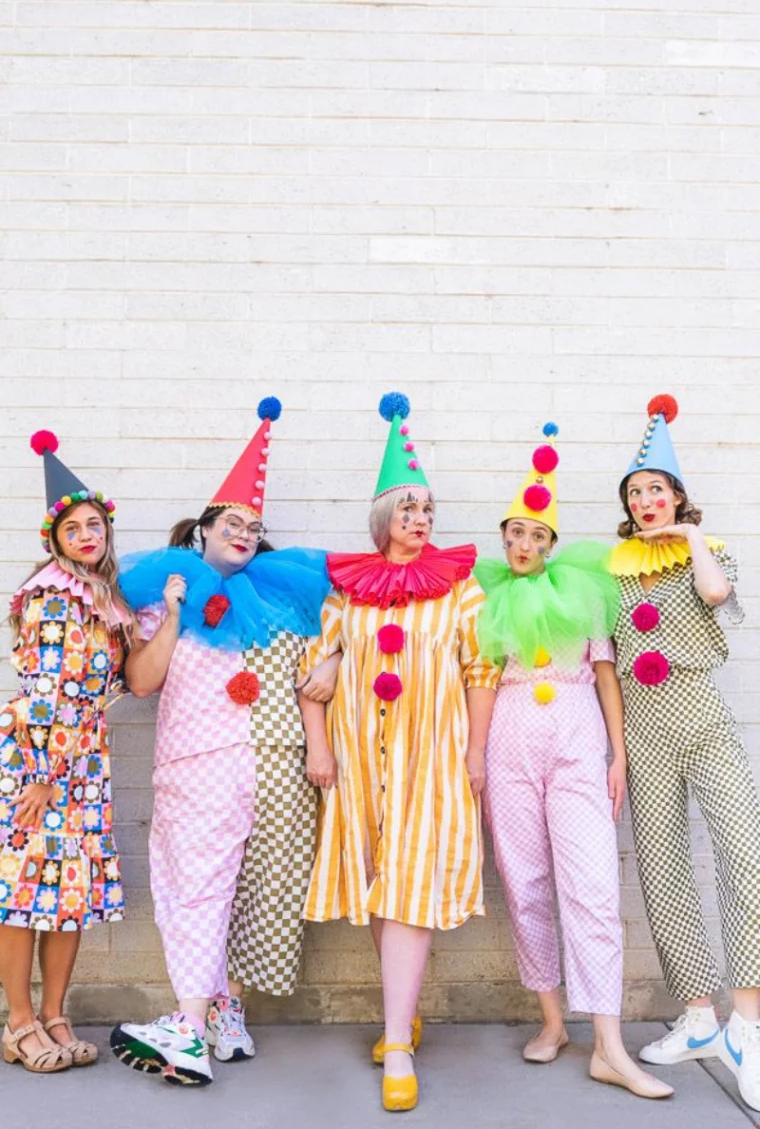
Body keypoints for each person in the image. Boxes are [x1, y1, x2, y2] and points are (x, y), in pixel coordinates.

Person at [109, 399, 330, 1087]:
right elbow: (142, 680)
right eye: (232, 521)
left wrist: (336, 660)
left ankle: (187, 1025)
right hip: (189, 762)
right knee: (198, 889)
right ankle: (209, 1017)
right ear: (203, 529)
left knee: (201, 890)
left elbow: (341, 618)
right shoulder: (167, 591)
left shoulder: (269, 601)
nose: (244, 531)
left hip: (229, 767)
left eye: (253, 527)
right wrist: (172, 614)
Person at [298, 392, 500, 1112]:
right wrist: (319, 749)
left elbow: (482, 670)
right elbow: (313, 675)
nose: (421, 520)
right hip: (358, 767)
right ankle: (399, 1013)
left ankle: (399, 1047)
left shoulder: (460, 590)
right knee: (383, 883)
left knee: (411, 885)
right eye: (408, 509)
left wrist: (476, 753)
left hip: (431, 763)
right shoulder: (348, 594)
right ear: (385, 517)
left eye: (428, 511)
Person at [476, 423, 672, 1100]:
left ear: (552, 543)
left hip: (578, 737)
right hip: (509, 741)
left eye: (535, 535)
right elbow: (477, 678)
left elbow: (608, 675)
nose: (523, 544)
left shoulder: (583, 593)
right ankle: (553, 1020)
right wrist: (474, 755)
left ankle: (610, 1045)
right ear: (504, 538)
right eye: (514, 533)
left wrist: (617, 755)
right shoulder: (489, 596)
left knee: (590, 888)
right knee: (524, 882)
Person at [610, 393, 760, 1112]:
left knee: (746, 858)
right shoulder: (610, 572)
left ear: (676, 496)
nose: (646, 502)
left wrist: (691, 535)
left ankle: (748, 1025)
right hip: (642, 733)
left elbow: (718, 594)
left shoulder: (710, 550)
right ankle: (698, 1015)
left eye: (657, 491)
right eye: (637, 493)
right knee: (663, 869)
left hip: (703, 718)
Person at [0, 431, 132, 1073]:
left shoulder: (104, 599)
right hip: (40, 759)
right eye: (72, 527)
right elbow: (46, 691)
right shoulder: (53, 595)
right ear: (53, 541)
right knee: (23, 891)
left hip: (85, 759)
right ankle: (19, 1021)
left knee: (68, 890)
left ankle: (56, 1014)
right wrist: (47, 775)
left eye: (95, 524)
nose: (87, 534)